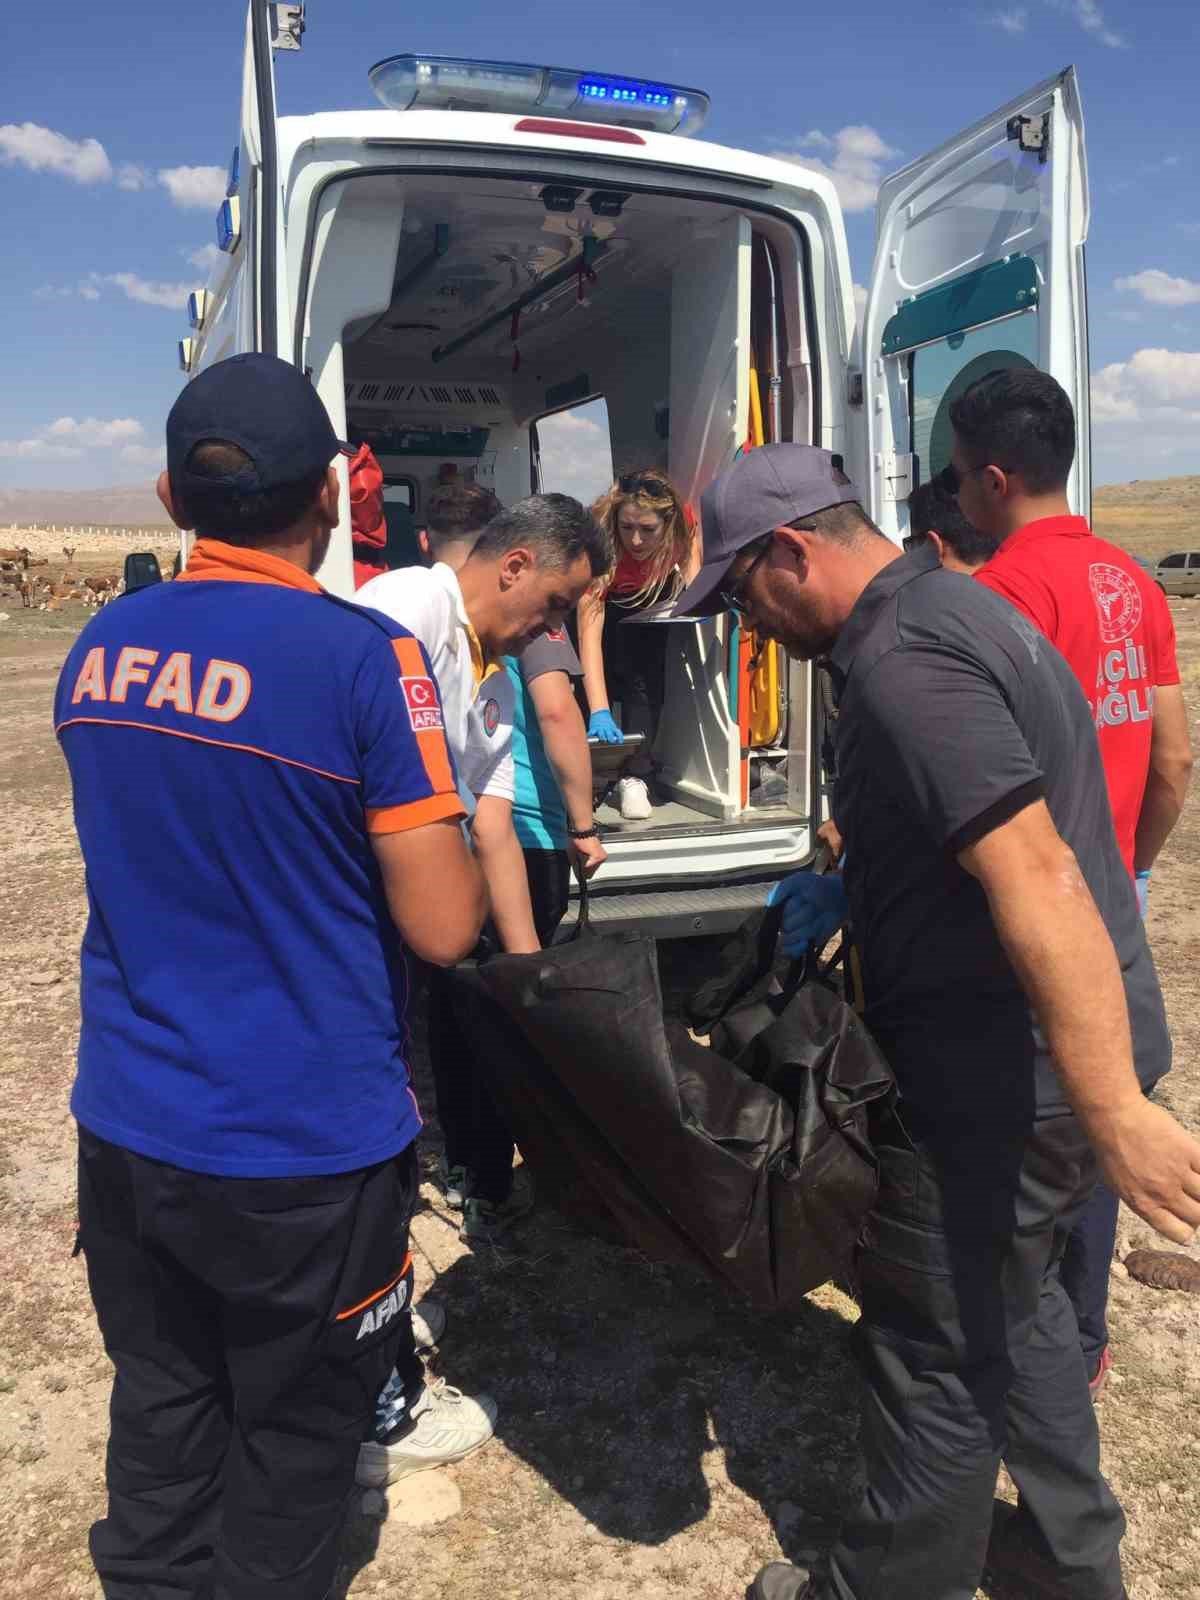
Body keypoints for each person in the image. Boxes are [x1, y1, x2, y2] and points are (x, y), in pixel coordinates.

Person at [668, 442, 1200, 1600]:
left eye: (744, 597)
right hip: (1049, 1058)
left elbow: (1038, 875)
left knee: (934, 1353)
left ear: (795, 550)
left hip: (999, 1081)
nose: (748, 629)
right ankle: (1070, 1566)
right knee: (1028, 1313)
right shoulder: (956, 607)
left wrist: (1111, 1105)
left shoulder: (907, 663)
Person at [56, 353, 489, 1600]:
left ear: (168, 495)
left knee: (164, 1408)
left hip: (133, 1123)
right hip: (303, 1145)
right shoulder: (363, 660)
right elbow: (444, 923)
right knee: (296, 1448)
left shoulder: (101, 647)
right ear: (330, 502)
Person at [949, 366, 1194, 1398]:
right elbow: (1175, 755)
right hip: (1119, 891)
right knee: (1108, 1106)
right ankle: (1085, 1331)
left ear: (995, 476)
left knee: (1032, 1113)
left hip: (1041, 899)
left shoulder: (999, 596)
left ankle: (1025, 1341)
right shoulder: (1134, 581)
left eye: (959, 476)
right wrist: (1134, 863)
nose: (956, 496)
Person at [357, 492, 609, 1246]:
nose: (553, 629)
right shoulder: (403, 607)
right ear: (515, 565)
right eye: (556, 604)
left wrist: (525, 967)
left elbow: (492, 826)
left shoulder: (493, 679)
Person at [578, 468, 701, 820]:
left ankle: (635, 774)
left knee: (645, 678)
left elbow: (691, 562)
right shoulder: (601, 543)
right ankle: (590, 774)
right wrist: (599, 708)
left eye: (648, 530)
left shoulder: (683, 527)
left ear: (667, 523)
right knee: (582, 683)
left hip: (648, 605)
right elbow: (589, 630)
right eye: (627, 527)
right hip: (604, 603)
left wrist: (696, 599)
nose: (635, 540)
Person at [903, 473, 999, 573]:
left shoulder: (927, 587)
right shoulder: (1011, 576)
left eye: (914, 545)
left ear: (934, 547)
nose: (911, 560)